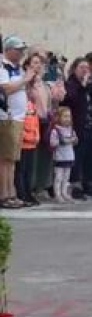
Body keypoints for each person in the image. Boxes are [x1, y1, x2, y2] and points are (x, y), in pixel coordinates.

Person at [0, 36, 35, 209]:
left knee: (12, 159)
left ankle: (11, 192)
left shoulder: (18, 68)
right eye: (18, 50)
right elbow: (6, 89)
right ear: (8, 50)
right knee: (6, 158)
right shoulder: (3, 67)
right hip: (8, 117)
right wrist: (25, 80)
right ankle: (4, 194)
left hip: (19, 117)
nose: (21, 53)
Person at [49, 107, 78, 203]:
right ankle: (57, 194)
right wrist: (61, 141)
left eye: (69, 116)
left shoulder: (71, 130)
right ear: (58, 117)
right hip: (60, 157)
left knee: (66, 177)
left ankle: (64, 192)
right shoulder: (56, 130)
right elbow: (52, 142)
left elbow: (75, 140)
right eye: (65, 116)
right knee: (58, 177)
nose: (67, 119)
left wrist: (74, 140)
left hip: (69, 156)